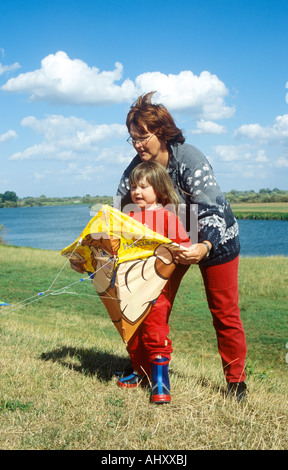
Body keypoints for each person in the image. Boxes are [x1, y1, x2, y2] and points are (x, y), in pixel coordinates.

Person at [116, 91, 247, 401]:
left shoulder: (189, 158)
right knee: (147, 304)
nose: (137, 144)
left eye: (142, 137)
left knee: (224, 312)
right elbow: (121, 215)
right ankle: (144, 368)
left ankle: (236, 382)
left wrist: (204, 246)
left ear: (161, 132)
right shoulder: (136, 170)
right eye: (132, 138)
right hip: (171, 244)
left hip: (216, 240)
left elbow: (211, 208)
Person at [117, 160, 192, 404]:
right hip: (130, 287)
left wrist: (180, 250)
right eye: (133, 187)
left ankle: (161, 384)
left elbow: (184, 248)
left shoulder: (168, 217)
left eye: (142, 187)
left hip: (158, 288)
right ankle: (139, 372)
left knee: (155, 331)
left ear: (158, 188)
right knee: (133, 331)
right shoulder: (127, 217)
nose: (136, 191)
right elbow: (114, 245)